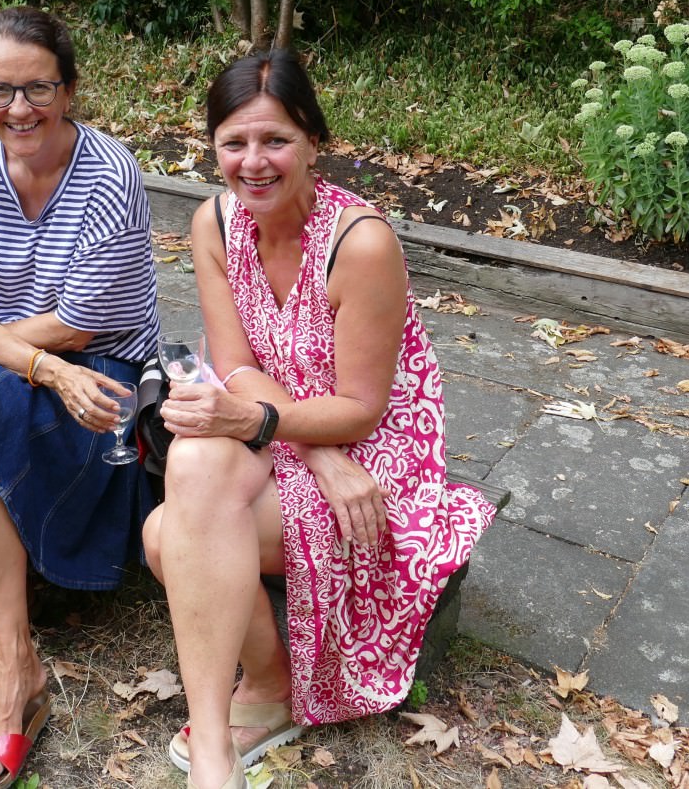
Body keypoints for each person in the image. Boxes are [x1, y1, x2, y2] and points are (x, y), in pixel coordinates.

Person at [142, 49, 496, 789]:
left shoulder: (360, 243)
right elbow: (233, 362)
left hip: (374, 454)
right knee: (194, 463)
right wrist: (308, 449)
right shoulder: (213, 222)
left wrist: (310, 444)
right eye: (234, 143)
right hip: (289, 430)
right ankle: (217, 744)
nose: (253, 162)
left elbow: (362, 409)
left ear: (313, 142)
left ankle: (266, 693)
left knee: (166, 533)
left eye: (275, 140)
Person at [0, 6, 159, 789]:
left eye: (39, 87)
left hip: (104, 369)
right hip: (29, 362)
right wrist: (1, 351)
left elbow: (78, 324)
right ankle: (0, 596)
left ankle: (16, 673)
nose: (20, 108)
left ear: (69, 89)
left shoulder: (110, 174)